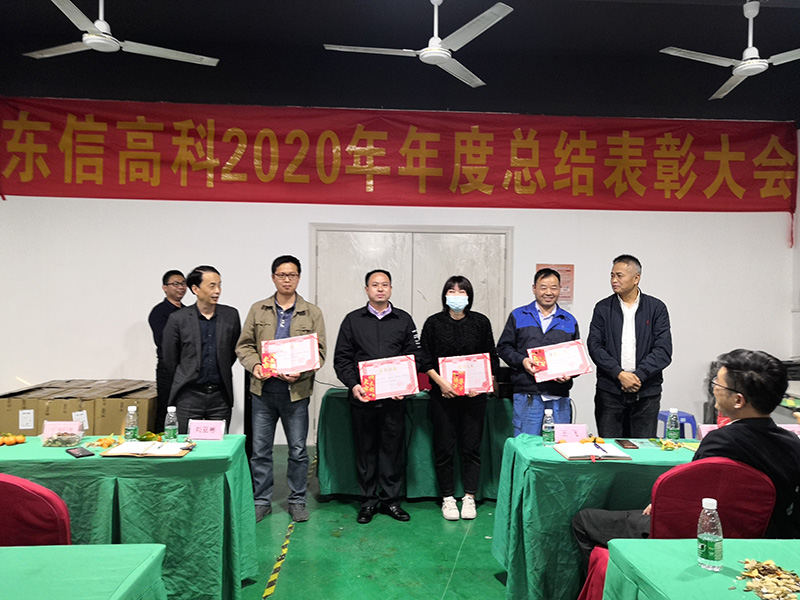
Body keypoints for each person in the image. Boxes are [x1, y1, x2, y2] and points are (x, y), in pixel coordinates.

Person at [571, 349, 800, 572]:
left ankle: (615, 582)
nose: (714, 389)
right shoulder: (793, 444)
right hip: (764, 540)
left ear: (738, 400)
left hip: (698, 538)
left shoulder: (720, 441)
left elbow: (687, 499)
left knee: (584, 519)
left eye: (718, 385)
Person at [235, 255, 325, 523]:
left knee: (297, 450)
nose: (287, 280)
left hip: (296, 393)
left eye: (292, 275)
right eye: (282, 275)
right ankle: (261, 500)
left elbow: (319, 352)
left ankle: (297, 500)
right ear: (273, 277)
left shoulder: (312, 312)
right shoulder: (258, 309)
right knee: (260, 450)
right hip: (263, 391)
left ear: (299, 277)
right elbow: (244, 345)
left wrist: (302, 371)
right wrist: (255, 365)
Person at [333, 269, 420, 524]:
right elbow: (342, 359)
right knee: (365, 452)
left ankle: (391, 501)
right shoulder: (352, 320)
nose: (380, 289)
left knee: (392, 452)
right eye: (375, 285)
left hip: (394, 401)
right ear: (366, 290)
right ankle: (368, 502)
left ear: (391, 289)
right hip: (363, 399)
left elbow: (415, 356)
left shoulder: (403, 319)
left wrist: (404, 387)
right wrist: (353, 385)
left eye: (384, 285)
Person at [419, 275, 499, 521]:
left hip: (474, 398)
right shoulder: (433, 323)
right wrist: (441, 383)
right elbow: (424, 360)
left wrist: (481, 384)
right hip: (443, 397)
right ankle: (447, 498)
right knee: (444, 448)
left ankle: (469, 497)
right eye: (451, 291)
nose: (457, 296)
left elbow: (491, 358)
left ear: (469, 296)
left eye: (461, 291)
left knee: (471, 448)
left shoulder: (481, 322)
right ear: (445, 296)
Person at [587, 255, 672, 438]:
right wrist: (619, 374)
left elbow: (663, 350)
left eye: (619, 275)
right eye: (612, 275)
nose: (614, 280)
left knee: (643, 449)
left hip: (646, 393)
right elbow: (595, 346)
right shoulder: (603, 308)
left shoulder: (656, 308)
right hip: (610, 392)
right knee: (610, 448)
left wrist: (637, 376)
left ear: (636, 278)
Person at [497, 268, 580, 436]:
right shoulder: (519, 315)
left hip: (558, 396)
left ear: (560, 289)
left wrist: (570, 374)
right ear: (534, 288)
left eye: (554, 287)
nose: (548, 292)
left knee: (559, 445)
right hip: (527, 394)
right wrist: (523, 361)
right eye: (543, 287)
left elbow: (576, 359)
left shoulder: (569, 320)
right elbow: (503, 347)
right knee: (526, 444)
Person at [162, 265, 241, 433]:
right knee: (186, 444)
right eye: (212, 286)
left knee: (219, 445)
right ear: (195, 289)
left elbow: (233, 351)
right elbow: (169, 358)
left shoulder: (230, 315)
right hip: (189, 395)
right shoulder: (178, 318)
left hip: (220, 397)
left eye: (219, 285)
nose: (217, 291)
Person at [148, 270, 187, 433]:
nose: (181, 287)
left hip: (186, 368)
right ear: (165, 288)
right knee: (166, 408)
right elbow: (164, 342)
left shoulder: (188, 311)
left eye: (183, 283)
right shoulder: (160, 312)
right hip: (168, 368)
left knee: (184, 409)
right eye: (175, 284)